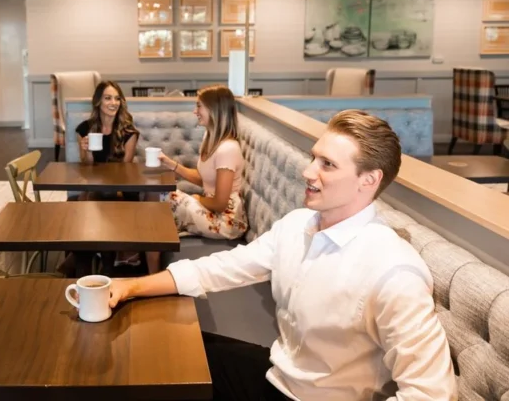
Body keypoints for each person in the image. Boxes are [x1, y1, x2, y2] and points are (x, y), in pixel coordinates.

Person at [110, 110, 457, 401]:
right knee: (164, 349)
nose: (308, 172)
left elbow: (432, 393)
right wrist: (130, 287)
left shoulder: (394, 272)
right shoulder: (297, 225)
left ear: (368, 180)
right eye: (313, 158)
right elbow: (223, 267)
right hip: (277, 375)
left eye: (328, 165)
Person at [145, 85, 248, 273]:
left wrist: (196, 199)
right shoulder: (210, 138)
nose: (195, 111)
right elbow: (205, 180)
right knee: (156, 200)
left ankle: (149, 270)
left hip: (226, 220)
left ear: (214, 110)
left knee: (160, 200)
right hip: (213, 210)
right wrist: (170, 164)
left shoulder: (228, 149)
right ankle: (150, 267)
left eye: (199, 106)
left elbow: (219, 203)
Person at [76, 80, 139, 168]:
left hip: (118, 180)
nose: (114, 103)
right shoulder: (84, 129)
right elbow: (87, 167)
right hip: (93, 179)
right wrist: (88, 151)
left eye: (117, 98)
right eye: (108, 98)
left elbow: (126, 169)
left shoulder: (129, 132)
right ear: (98, 101)